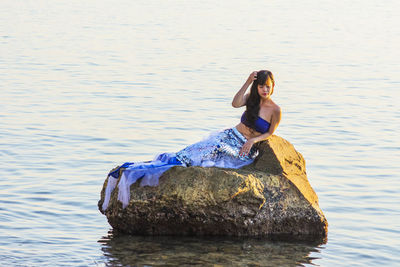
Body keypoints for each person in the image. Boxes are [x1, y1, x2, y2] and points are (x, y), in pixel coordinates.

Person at [102, 70, 282, 211]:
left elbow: (270, 133)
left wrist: (252, 141)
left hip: (242, 147)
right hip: (229, 135)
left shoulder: (275, 110)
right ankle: (160, 164)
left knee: (212, 153)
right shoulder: (251, 99)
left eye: (267, 86)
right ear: (256, 87)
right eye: (261, 86)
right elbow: (235, 103)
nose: (264, 90)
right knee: (194, 151)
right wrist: (248, 81)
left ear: (273, 86)